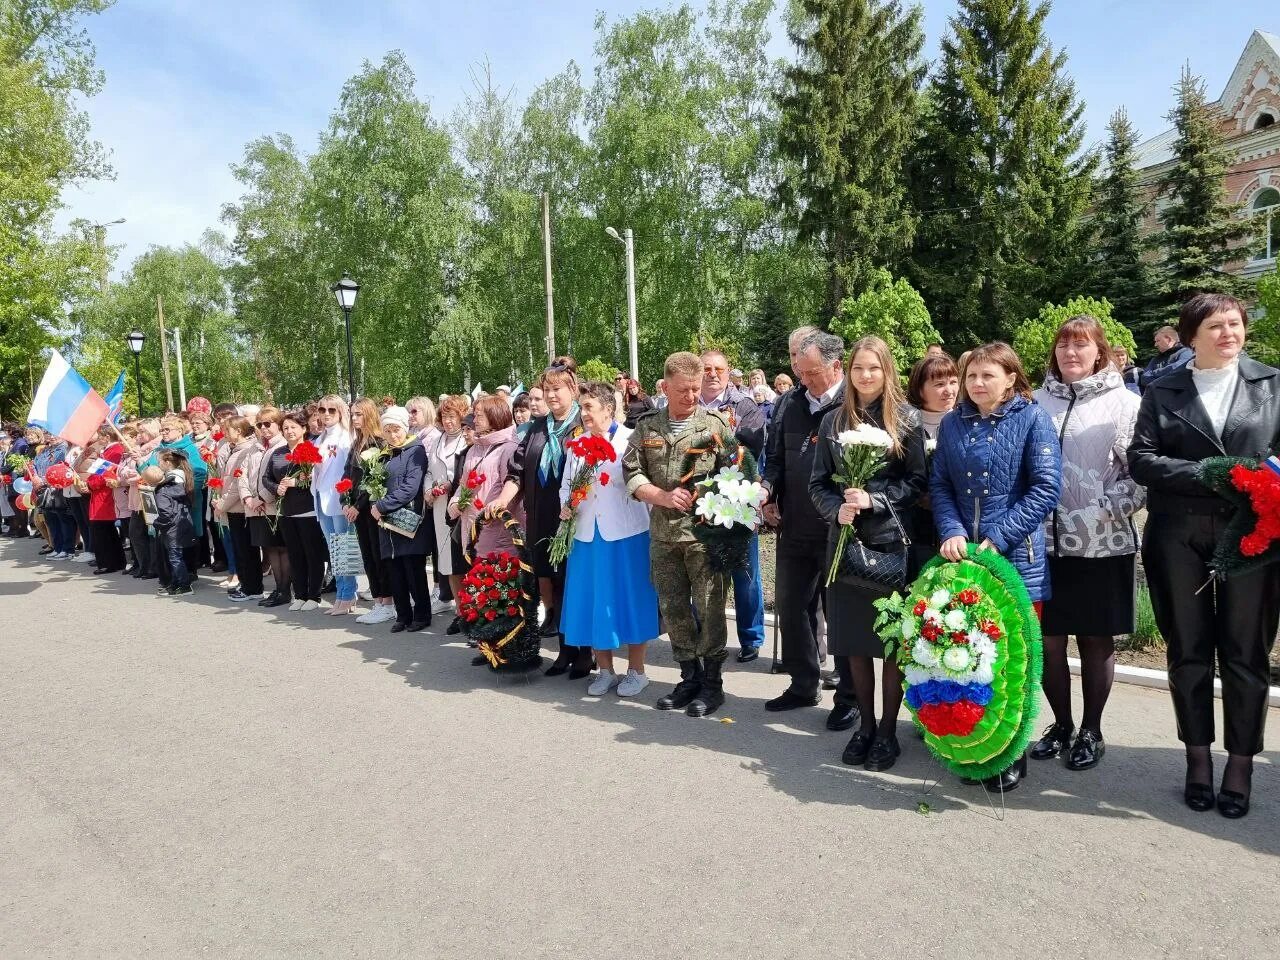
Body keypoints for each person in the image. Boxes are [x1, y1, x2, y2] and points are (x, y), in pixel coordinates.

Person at [1129, 293, 1280, 819]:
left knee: (1245, 652)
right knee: (1188, 649)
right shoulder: (1163, 387)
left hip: (1252, 535)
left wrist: (1262, 480)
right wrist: (1213, 475)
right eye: (1214, 326)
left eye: (1234, 324)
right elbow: (1141, 459)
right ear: (1191, 336)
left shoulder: (1272, 384)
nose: (1227, 334)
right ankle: (1197, 757)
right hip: (1178, 534)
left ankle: (1240, 763)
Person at [931, 342, 1062, 792]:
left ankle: (1012, 753)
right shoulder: (953, 423)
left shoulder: (1033, 419)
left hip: (1016, 560)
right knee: (970, 657)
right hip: (964, 559)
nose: (977, 384)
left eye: (988, 375)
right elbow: (941, 483)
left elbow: (1045, 489)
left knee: (1014, 663)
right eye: (971, 376)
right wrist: (951, 530)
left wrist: (997, 537)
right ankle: (979, 746)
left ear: (1011, 379)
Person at [809, 336, 927, 772]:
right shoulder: (832, 423)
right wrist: (836, 509)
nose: (865, 376)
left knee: (890, 643)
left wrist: (874, 501)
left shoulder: (908, 420)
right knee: (856, 644)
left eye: (873, 368)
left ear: (886, 371)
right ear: (848, 371)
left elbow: (916, 483)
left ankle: (888, 733)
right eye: (858, 367)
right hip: (844, 546)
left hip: (888, 545)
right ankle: (866, 725)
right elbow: (817, 484)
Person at [1031, 316, 1144, 771]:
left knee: (1095, 641)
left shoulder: (1124, 404)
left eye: (1080, 346)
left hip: (1101, 543)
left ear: (1099, 352)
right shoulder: (1035, 403)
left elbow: (1142, 474)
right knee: (1048, 642)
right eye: (1063, 346)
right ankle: (1061, 724)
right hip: (1041, 546)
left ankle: (1092, 730)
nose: (1070, 354)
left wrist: (1103, 507)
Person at [623, 351, 737, 717]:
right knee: (673, 609)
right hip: (663, 535)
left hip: (704, 537)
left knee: (710, 609)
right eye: (683, 390)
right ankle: (688, 676)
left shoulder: (715, 426)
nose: (690, 397)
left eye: (695, 389)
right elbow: (632, 471)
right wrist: (661, 496)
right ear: (665, 387)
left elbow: (737, 474)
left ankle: (712, 683)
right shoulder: (647, 427)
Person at [761, 329, 847, 722]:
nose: (805, 379)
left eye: (813, 373)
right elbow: (775, 457)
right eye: (801, 370)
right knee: (793, 606)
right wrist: (767, 494)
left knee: (841, 611)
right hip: (793, 522)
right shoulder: (789, 403)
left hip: (840, 529)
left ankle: (849, 693)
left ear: (836, 366)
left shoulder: (853, 405)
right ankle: (802, 684)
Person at [560, 382, 659, 697]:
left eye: (589, 407)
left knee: (630, 600)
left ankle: (637, 671)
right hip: (587, 534)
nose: (583, 413)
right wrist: (567, 504)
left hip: (627, 534)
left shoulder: (630, 440)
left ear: (608, 409)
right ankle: (604, 670)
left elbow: (645, 485)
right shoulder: (577, 445)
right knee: (594, 602)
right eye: (582, 407)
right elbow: (565, 485)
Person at [488, 360, 586, 678]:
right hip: (542, 518)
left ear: (572, 390)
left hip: (577, 519)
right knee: (553, 583)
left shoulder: (582, 425)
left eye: (557, 389)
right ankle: (565, 650)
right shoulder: (538, 427)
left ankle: (585, 653)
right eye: (547, 389)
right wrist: (503, 499)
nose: (551, 395)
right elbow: (517, 471)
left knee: (575, 583)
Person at [699, 349, 767, 663]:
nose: (712, 374)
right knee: (704, 573)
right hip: (698, 501)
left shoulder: (745, 405)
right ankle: (708, 638)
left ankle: (751, 637)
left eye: (719, 369)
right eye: (706, 368)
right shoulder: (687, 402)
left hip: (738, 500)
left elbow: (747, 449)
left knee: (745, 573)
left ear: (728, 373)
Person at [371, 406, 433, 632]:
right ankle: (403, 614)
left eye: (396, 429)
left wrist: (381, 505)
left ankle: (422, 615)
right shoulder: (384, 454)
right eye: (387, 430)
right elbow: (374, 484)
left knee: (413, 569)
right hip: (386, 521)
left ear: (404, 429)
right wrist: (374, 502)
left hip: (407, 518)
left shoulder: (415, 451)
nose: (392, 435)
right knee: (394, 569)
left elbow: (410, 487)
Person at [449, 396, 523, 575]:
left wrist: (497, 505)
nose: (474, 421)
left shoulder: (508, 448)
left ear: (494, 416)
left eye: (479, 416)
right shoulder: (475, 448)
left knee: (495, 586)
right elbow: (464, 482)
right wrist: (455, 502)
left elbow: (513, 483)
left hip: (496, 527)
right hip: (472, 525)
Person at [264, 410, 327, 611]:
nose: (289, 431)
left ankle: (314, 596)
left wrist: (297, 482)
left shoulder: (311, 449)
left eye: (293, 427)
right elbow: (267, 478)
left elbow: (317, 476)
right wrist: (277, 488)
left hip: (307, 511)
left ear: (303, 429)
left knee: (312, 554)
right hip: (285, 512)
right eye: (285, 428)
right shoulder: (278, 452)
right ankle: (299, 594)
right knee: (295, 555)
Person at [905, 353, 960, 575]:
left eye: (953, 382)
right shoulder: (905, 424)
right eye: (939, 384)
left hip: (955, 527)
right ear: (920, 389)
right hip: (914, 526)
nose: (949, 390)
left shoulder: (965, 422)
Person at [344, 398, 397, 625]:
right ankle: (378, 601)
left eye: (359, 414)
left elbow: (374, 479)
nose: (355, 418)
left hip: (372, 508)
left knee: (379, 556)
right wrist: (344, 500)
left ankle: (388, 602)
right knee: (367, 556)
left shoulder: (377, 441)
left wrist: (358, 505)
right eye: (352, 414)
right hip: (356, 508)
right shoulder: (356, 443)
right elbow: (348, 476)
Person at [311, 395, 357, 615]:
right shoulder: (319, 438)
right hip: (321, 497)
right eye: (322, 410)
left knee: (343, 548)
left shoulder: (347, 437)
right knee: (333, 549)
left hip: (340, 499)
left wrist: (348, 497)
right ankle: (342, 593)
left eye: (331, 410)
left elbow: (349, 470)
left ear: (340, 413)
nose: (326, 414)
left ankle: (348, 594)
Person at [424, 395, 470, 617]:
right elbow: (429, 471)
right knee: (446, 560)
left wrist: (451, 484)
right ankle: (460, 612)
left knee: (462, 559)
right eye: (445, 416)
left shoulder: (466, 439)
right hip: (440, 505)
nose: (448, 421)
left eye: (452, 416)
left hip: (461, 505)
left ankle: (471, 610)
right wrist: (429, 490)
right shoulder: (437, 440)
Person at [243, 408, 291, 608]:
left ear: (278, 425)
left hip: (273, 505)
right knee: (270, 548)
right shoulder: (254, 447)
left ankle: (285, 590)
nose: (263, 428)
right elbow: (243, 474)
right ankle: (278, 589)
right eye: (260, 424)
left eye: (268, 424)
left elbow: (276, 477)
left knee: (282, 548)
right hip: (255, 506)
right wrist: (248, 497)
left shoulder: (282, 446)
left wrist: (262, 497)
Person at [217, 416, 264, 601]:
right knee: (239, 548)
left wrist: (223, 504)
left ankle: (252, 587)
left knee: (246, 549)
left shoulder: (246, 450)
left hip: (240, 507)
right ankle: (246, 584)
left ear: (238, 431)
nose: (225, 434)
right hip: (233, 507)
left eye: (228, 430)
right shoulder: (233, 449)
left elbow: (237, 483)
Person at [149, 451, 196, 597]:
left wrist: (156, 523)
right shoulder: (182, 479)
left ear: (167, 463)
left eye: (160, 462)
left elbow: (166, 513)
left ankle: (184, 585)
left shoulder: (165, 488)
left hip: (172, 527)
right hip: (181, 524)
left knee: (175, 557)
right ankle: (176, 583)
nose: (158, 465)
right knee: (176, 556)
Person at [82, 427, 126, 575]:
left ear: (107, 437)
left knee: (102, 531)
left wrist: (90, 484)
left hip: (104, 493)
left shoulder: (114, 451)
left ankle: (109, 562)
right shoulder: (108, 451)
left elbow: (106, 474)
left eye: (101, 437)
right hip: (100, 493)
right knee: (105, 530)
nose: (99, 440)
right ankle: (114, 561)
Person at [1139, 325, 1193, 391]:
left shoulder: (1186, 352)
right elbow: (1144, 378)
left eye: (1157, 341)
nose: (1155, 345)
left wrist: (1154, 373)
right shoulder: (1155, 359)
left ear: (1168, 339)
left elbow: (1181, 368)